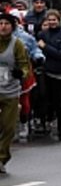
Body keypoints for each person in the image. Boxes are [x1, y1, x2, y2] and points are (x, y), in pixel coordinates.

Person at [0, 10, 32, 174]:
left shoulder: (17, 44)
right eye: (0, 24)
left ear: (12, 27)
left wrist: (21, 73)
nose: (3, 27)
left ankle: (2, 158)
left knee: (8, 127)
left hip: (10, 91)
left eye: (6, 24)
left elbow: (25, 65)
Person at [37, 10, 61, 140]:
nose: (52, 22)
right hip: (45, 70)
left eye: (54, 20)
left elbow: (60, 54)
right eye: (49, 20)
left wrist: (45, 47)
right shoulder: (42, 34)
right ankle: (46, 122)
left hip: (58, 71)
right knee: (44, 97)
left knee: (58, 100)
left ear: (59, 20)